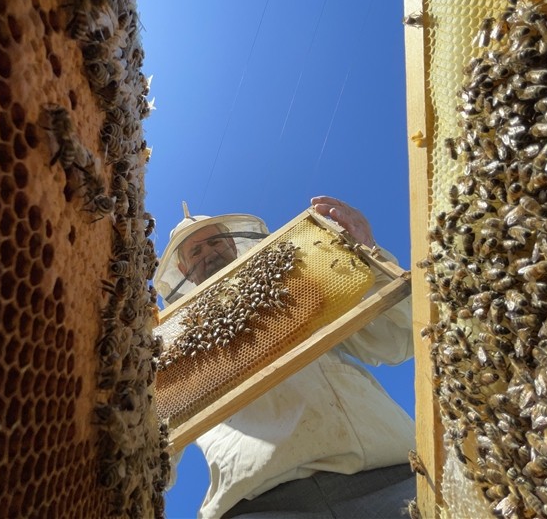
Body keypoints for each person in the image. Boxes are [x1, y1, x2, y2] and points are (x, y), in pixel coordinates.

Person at [154, 196, 416, 519]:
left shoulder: (301, 281)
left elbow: (400, 337)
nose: (209, 253)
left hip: (388, 478)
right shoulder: (173, 344)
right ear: (183, 269)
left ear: (233, 245)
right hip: (257, 505)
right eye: (196, 251)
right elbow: (149, 449)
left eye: (215, 241)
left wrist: (370, 255)